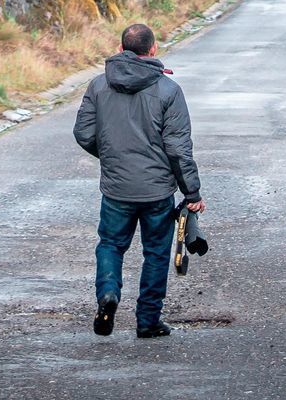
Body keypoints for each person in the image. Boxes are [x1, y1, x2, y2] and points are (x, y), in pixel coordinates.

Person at [73, 22, 204, 338]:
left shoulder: (98, 86)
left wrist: (112, 157)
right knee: (156, 253)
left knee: (111, 244)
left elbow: (83, 133)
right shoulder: (169, 91)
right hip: (157, 191)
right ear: (154, 49)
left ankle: (108, 294)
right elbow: (177, 148)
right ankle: (147, 321)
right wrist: (192, 192)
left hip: (117, 189)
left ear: (120, 49)